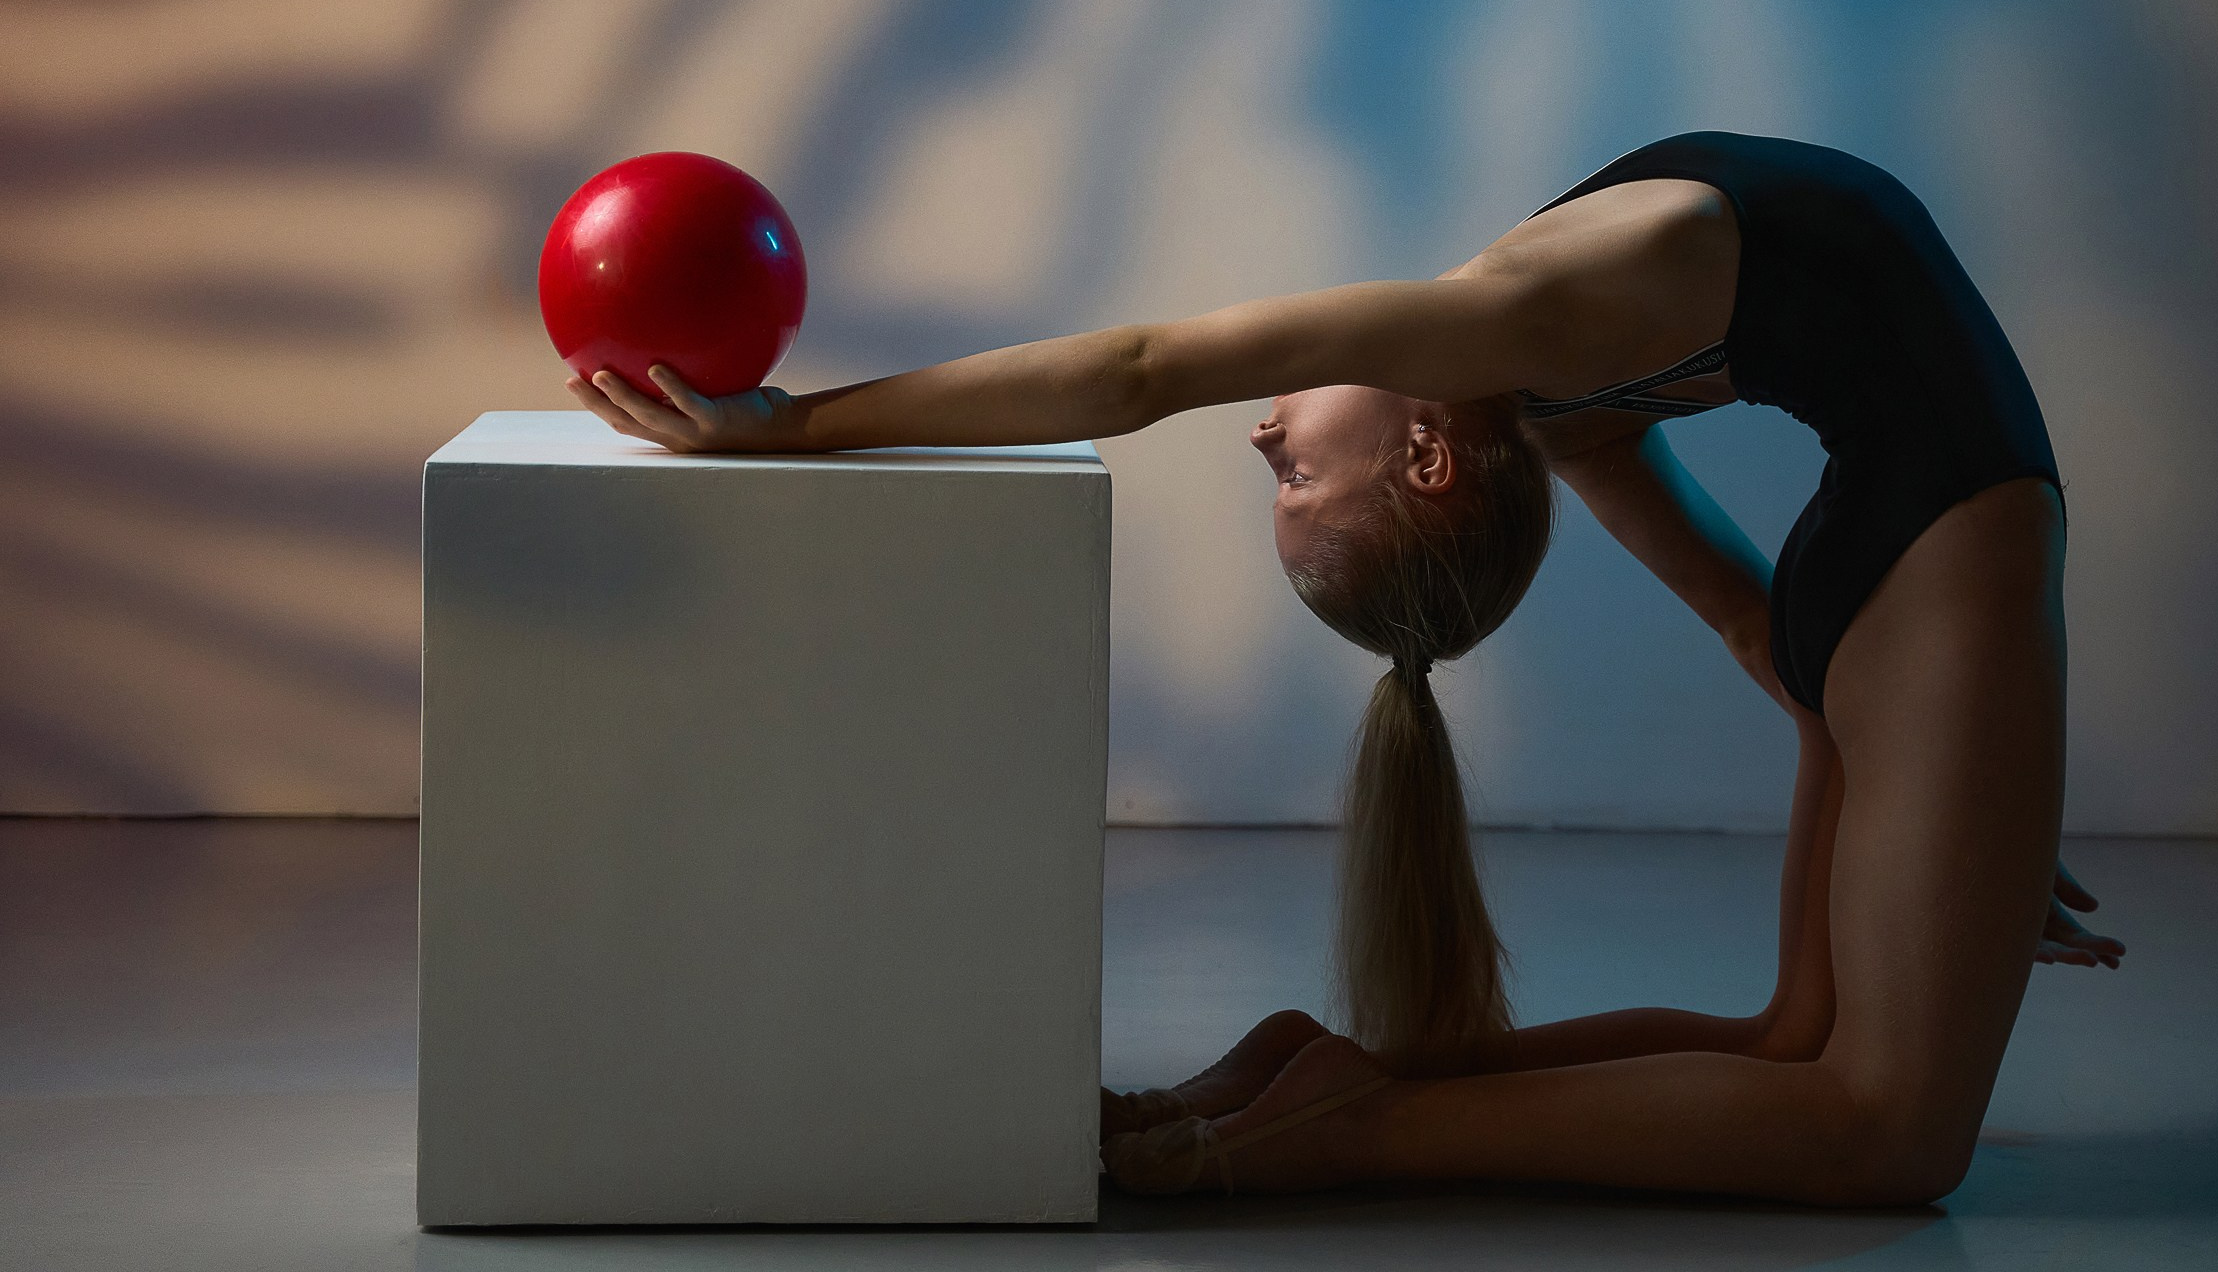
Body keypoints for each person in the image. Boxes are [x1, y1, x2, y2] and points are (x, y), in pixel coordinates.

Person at [570, 130, 2126, 1205]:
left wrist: (809, 418)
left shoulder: (1527, 333)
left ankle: (1348, 1081)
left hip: (1903, 560)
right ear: (1440, 459)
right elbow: (1747, 619)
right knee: (1887, 1138)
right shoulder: (1538, 375)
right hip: (1946, 532)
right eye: (1293, 482)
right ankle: (1361, 1129)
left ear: (1433, 451)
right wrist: (1945, 780)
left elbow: (1139, 370)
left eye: (1285, 481)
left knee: (1807, 1053)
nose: (1264, 436)